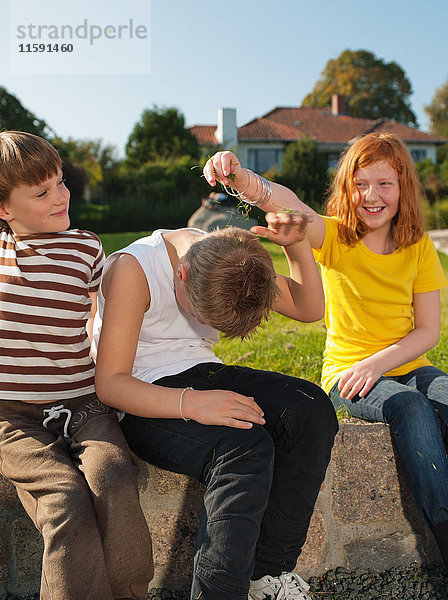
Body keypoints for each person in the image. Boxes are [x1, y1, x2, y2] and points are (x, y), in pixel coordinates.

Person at [204, 133, 448, 569]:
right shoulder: (335, 236)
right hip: (348, 376)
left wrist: (380, 363)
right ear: (346, 189)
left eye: (384, 184)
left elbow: (428, 331)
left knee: (441, 395)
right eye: (360, 183)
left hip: (404, 364)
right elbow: (288, 205)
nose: (371, 195)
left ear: (404, 188)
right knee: (410, 406)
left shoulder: (419, 247)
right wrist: (244, 180)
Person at [92, 213, 338, 600]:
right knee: (243, 446)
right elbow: (110, 384)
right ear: (183, 274)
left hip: (203, 374)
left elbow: (309, 309)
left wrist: (296, 244)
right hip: (142, 393)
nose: (205, 325)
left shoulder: (233, 262)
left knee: (310, 408)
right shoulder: (133, 269)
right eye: (202, 315)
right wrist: (192, 404)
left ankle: (265, 576)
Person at [0, 131, 153, 600]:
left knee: (114, 479)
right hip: (14, 418)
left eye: (61, 182)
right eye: (41, 192)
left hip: (85, 404)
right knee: (64, 498)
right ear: (4, 209)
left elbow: (98, 316)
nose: (61, 196)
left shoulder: (86, 248)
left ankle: (131, 594)